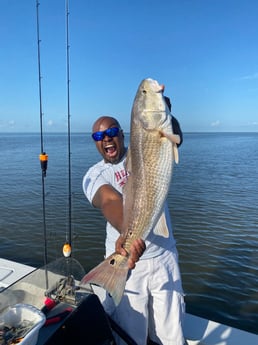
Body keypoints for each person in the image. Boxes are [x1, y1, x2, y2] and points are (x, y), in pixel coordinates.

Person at [82, 97, 185, 345]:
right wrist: (128, 235)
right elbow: (109, 200)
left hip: (163, 257)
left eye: (112, 131)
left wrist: (165, 115)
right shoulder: (93, 175)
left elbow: (174, 138)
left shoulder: (146, 152)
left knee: (171, 333)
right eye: (99, 136)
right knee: (131, 333)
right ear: (95, 143)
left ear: (123, 134)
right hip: (125, 261)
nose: (106, 138)